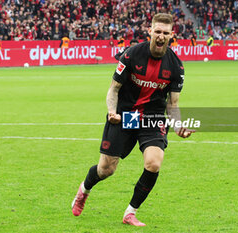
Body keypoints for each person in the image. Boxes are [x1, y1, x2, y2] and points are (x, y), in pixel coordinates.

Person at [71, 13, 193, 226]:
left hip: (152, 117)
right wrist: (112, 111)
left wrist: (179, 125)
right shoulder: (131, 55)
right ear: (150, 31)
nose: (161, 36)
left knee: (154, 163)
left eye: (165, 33)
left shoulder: (176, 66)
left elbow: (172, 105)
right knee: (106, 169)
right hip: (125, 116)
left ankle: (130, 212)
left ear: (172, 34)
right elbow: (113, 90)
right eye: (157, 31)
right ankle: (84, 190)